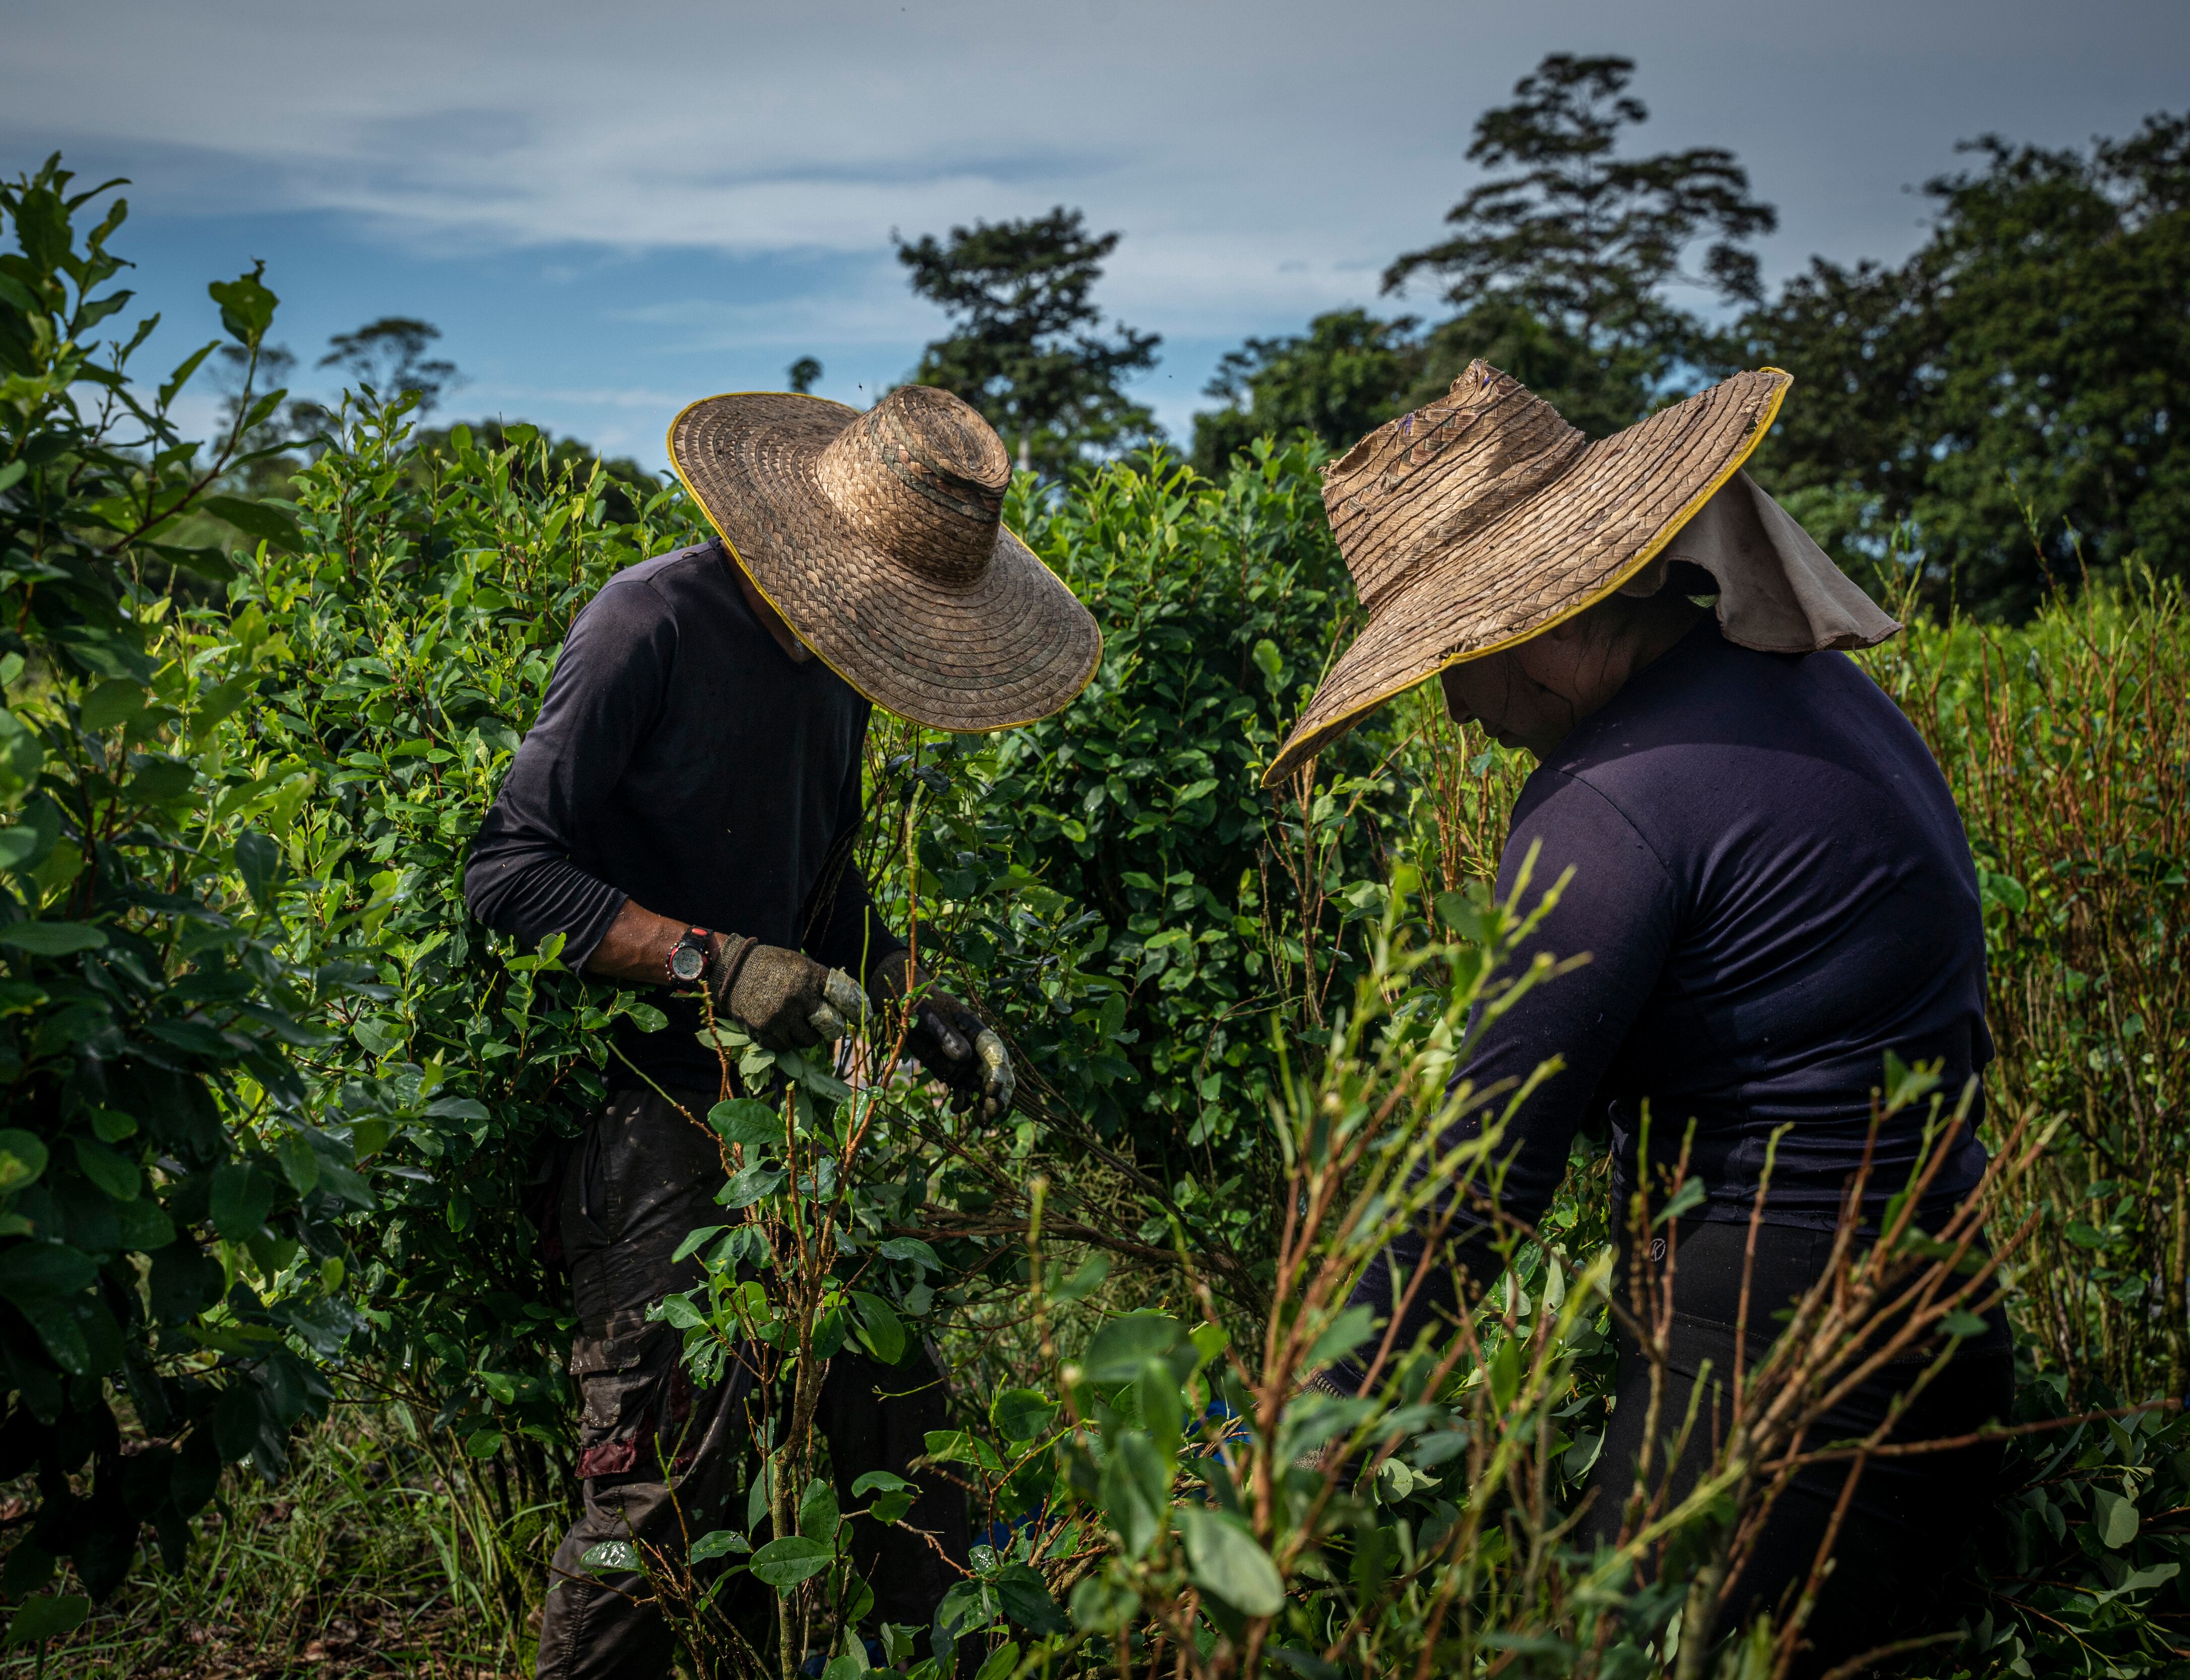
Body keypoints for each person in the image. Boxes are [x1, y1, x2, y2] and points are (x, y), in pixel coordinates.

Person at [1268, 362, 2012, 1669]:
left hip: (1769, 1360)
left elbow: (1484, 1167)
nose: (1451, 705)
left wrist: (1312, 1407)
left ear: (1531, 626)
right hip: (1944, 1303)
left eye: (1451, 660)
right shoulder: (1821, 693)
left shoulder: (1604, 806)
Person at [462, 383, 1101, 1679]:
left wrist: (917, 1003)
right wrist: (713, 962)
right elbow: (506, 877)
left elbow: (826, 885)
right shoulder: (648, 623)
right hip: (645, 1108)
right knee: (657, 1488)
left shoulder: (837, 673)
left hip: (789, 1113)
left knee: (905, 1449)